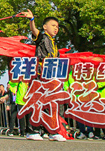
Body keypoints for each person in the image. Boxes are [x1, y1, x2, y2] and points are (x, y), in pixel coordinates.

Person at [18, 9, 65, 141]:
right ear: (45, 27)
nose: (56, 28)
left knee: (52, 103)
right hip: (40, 74)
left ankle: (53, 131)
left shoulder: (55, 43)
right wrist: (31, 20)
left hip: (52, 76)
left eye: (57, 27)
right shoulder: (42, 37)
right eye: (53, 25)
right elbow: (34, 31)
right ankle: (32, 131)